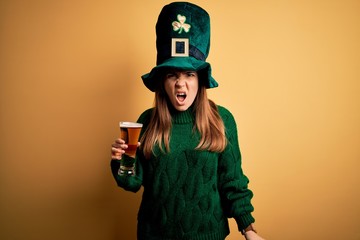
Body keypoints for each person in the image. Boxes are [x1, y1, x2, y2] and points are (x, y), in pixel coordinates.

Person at [111, 2, 265, 240]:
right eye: (172, 74)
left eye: (189, 75)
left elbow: (233, 183)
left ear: (201, 80)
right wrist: (120, 161)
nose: (180, 83)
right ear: (162, 81)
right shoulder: (147, 122)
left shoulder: (221, 120)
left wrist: (249, 230)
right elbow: (131, 183)